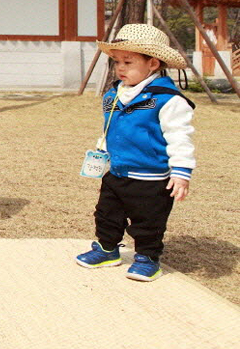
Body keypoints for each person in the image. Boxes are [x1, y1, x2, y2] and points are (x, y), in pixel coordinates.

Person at [75, 23, 195, 282]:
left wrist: (182, 172)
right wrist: (101, 154)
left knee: (148, 222)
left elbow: (179, 137)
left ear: (153, 64)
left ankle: (147, 257)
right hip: (116, 171)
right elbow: (110, 129)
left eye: (128, 62)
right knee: (106, 214)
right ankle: (108, 249)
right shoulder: (114, 95)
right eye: (116, 61)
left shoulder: (168, 99)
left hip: (151, 178)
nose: (120, 68)